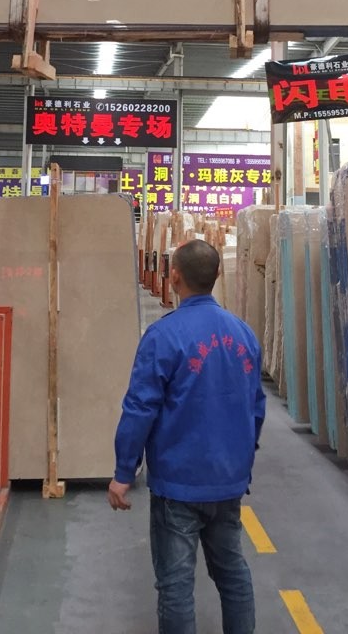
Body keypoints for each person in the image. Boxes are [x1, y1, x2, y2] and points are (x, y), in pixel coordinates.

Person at [108, 238, 266, 634]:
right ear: (218, 275)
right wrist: (241, 457)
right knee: (232, 571)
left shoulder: (163, 337)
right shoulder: (244, 334)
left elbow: (140, 408)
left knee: (176, 584)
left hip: (178, 484)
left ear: (173, 276)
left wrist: (124, 471)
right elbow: (256, 406)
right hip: (228, 480)